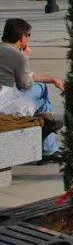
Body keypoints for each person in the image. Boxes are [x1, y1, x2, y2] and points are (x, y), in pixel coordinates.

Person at [0, 18, 64, 164]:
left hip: (6, 94)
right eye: (28, 35)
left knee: (41, 88)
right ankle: (47, 141)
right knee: (42, 99)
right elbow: (26, 85)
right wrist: (25, 58)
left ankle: (48, 143)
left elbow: (27, 76)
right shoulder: (18, 56)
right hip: (4, 100)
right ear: (22, 37)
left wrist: (51, 79)